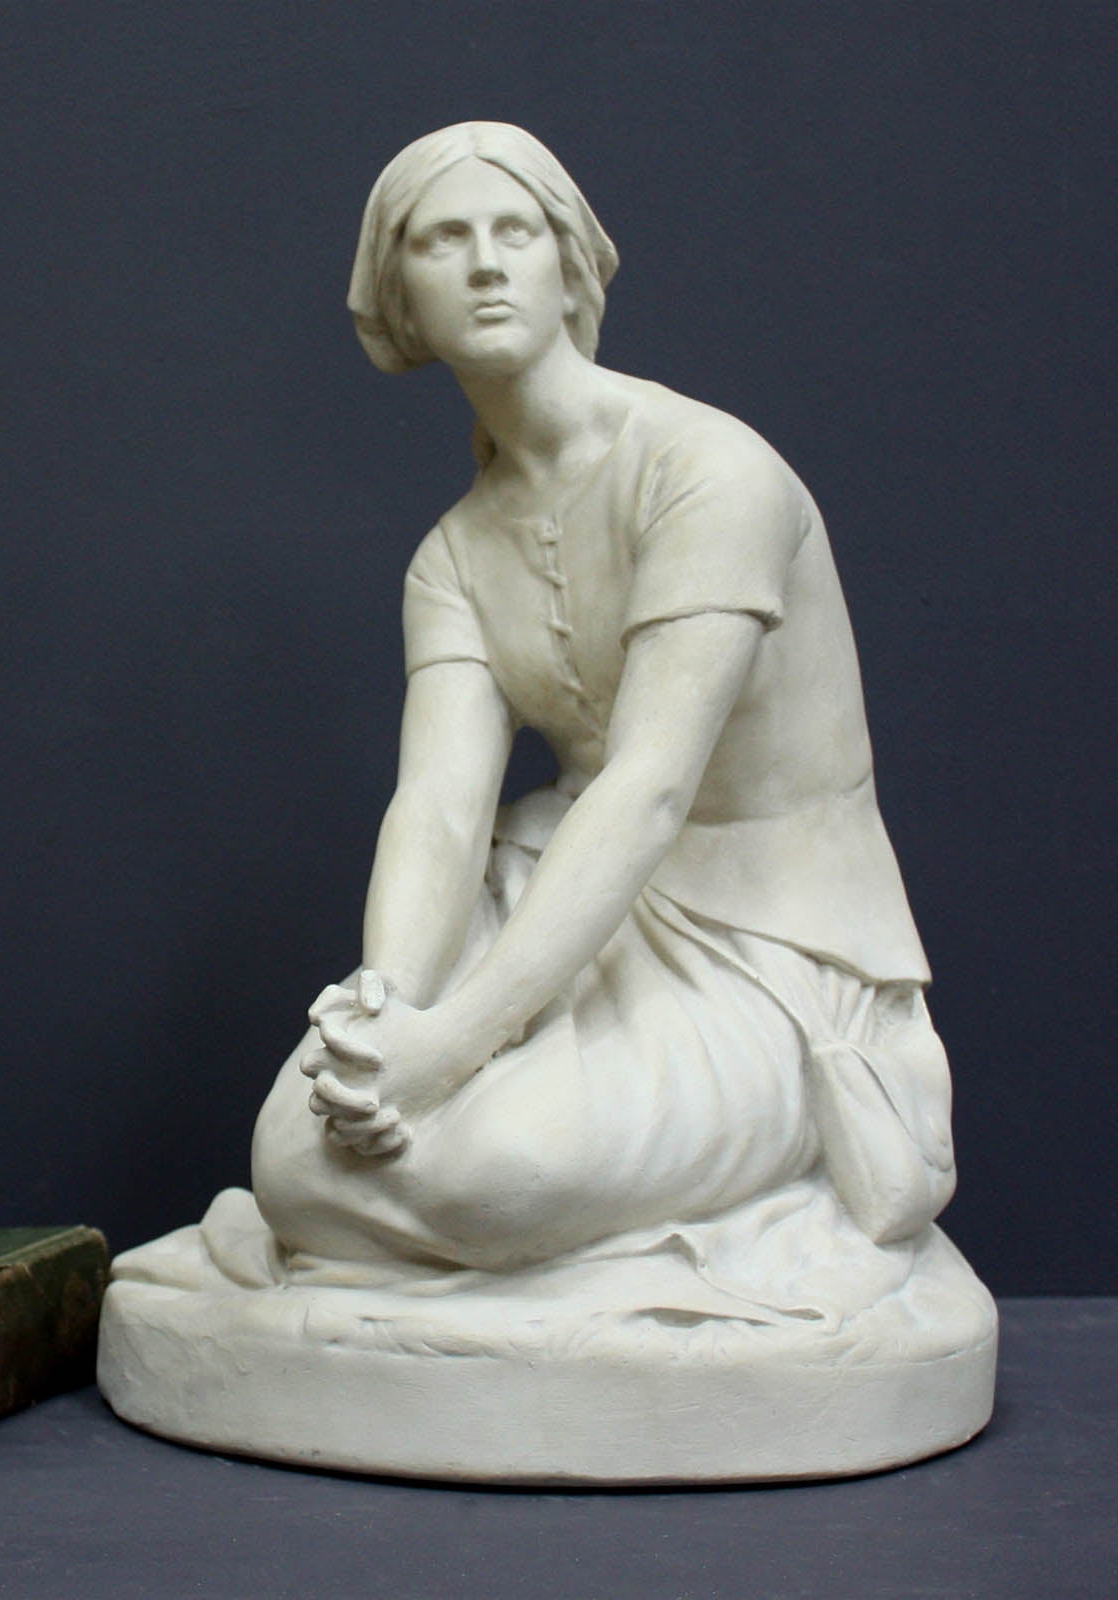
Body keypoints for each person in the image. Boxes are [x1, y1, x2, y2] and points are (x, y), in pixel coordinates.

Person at [248, 122, 957, 1278]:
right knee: (292, 1155)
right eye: (442, 239)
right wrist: (390, 1016)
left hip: (760, 930)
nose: (484, 262)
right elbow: (436, 808)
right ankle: (479, 1232)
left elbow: (649, 782)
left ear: (568, 263)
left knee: (498, 1174)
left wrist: (456, 1048)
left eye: (514, 230)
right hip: (559, 893)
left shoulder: (705, 471)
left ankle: (545, 1235)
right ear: (401, 301)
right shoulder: (452, 558)